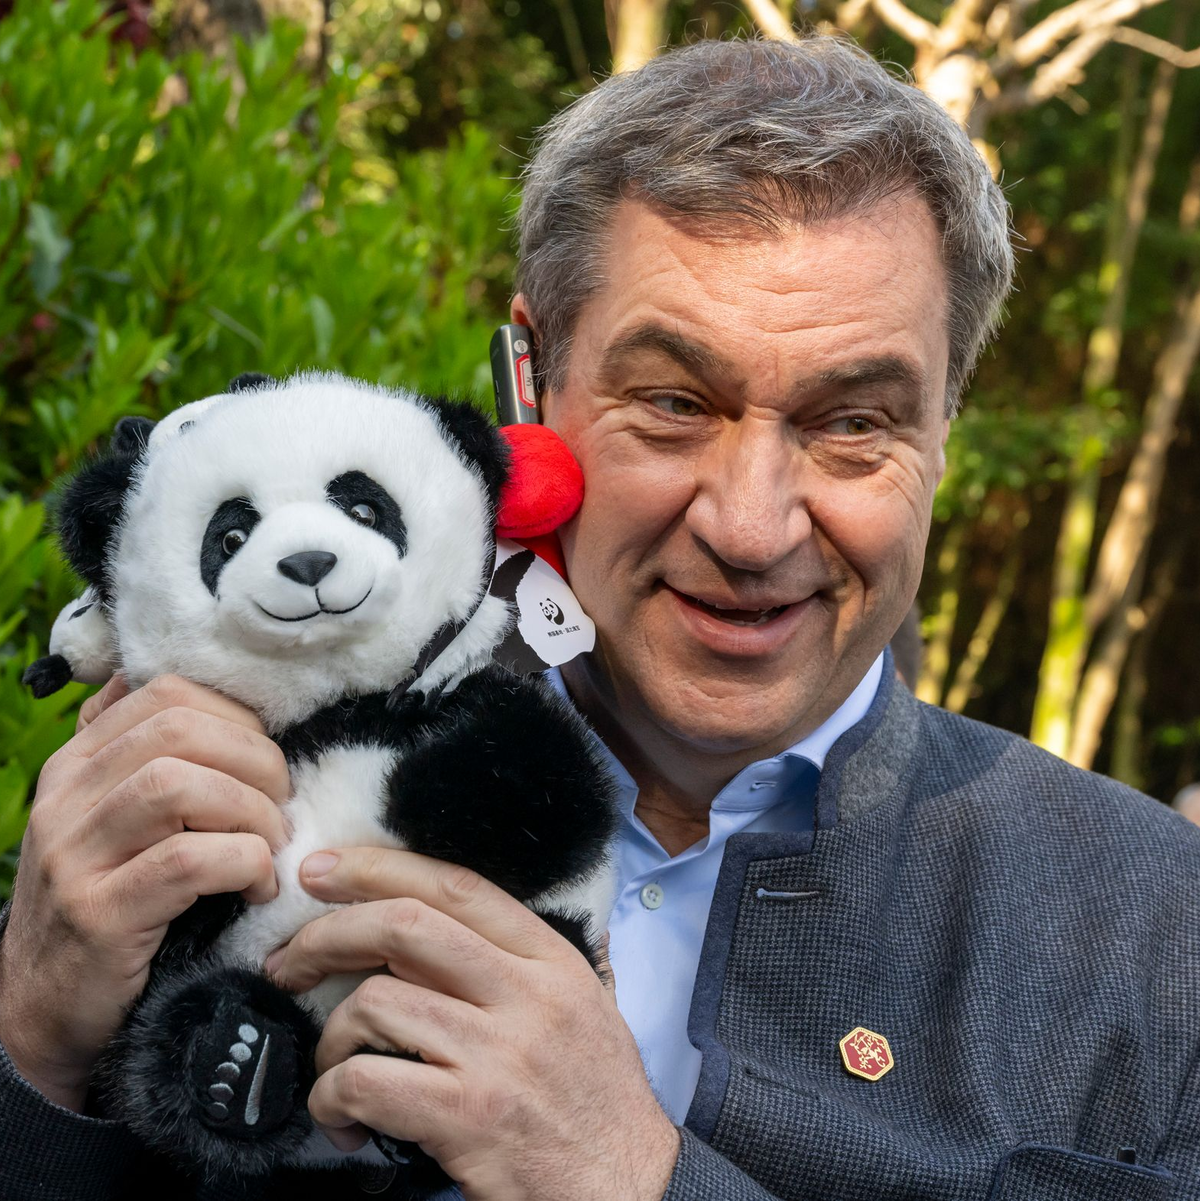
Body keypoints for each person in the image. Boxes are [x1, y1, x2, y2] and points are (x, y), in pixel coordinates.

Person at [2, 34, 1199, 1201]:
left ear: (943, 434)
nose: (751, 526)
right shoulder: (221, 789)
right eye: (675, 402)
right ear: (529, 383)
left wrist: (627, 1174)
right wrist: (35, 1037)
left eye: (853, 422)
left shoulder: (1160, 936)